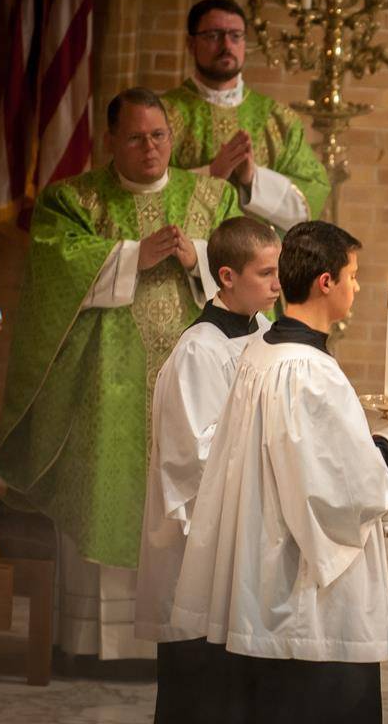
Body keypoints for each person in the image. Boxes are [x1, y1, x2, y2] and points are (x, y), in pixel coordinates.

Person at [0, 86, 239, 658]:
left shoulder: (211, 196)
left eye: (158, 136)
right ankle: (100, 641)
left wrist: (195, 257)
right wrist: (133, 255)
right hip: (103, 390)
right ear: (111, 141)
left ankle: (182, 641)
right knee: (106, 489)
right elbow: (55, 267)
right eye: (135, 137)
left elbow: (248, 263)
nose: (149, 148)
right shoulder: (74, 199)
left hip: (193, 389)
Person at [171, 221, 388, 724]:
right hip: (304, 601)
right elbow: (342, 497)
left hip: (262, 571)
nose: (357, 287)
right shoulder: (309, 371)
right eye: (353, 275)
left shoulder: (261, 351)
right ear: (326, 282)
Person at [134, 216, 280, 722]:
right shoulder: (198, 352)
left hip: (244, 548)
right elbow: (193, 462)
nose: (278, 285)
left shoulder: (262, 332)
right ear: (226, 277)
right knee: (198, 697)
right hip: (206, 555)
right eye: (266, 274)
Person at [163, 0, 329, 227]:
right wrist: (210, 173)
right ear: (190, 44)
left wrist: (253, 180)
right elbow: (141, 194)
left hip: (262, 258)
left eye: (235, 36)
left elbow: (313, 196)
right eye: (213, 35)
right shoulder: (162, 114)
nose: (226, 46)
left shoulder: (278, 118)